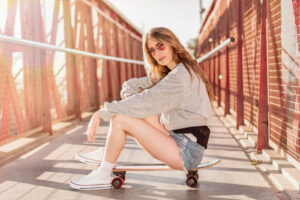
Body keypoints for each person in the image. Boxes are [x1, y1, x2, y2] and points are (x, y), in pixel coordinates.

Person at [69, 27, 214, 190]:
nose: (157, 53)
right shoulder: (173, 72)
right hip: (181, 139)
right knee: (137, 109)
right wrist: (135, 95)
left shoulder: (180, 76)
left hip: (187, 150)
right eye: (152, 51)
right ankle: (108, 152)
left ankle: (103, 174)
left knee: (120, 118)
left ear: (172, 43)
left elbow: (145, 101)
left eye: (160, 46)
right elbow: (131, 85)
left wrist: (101, 113)